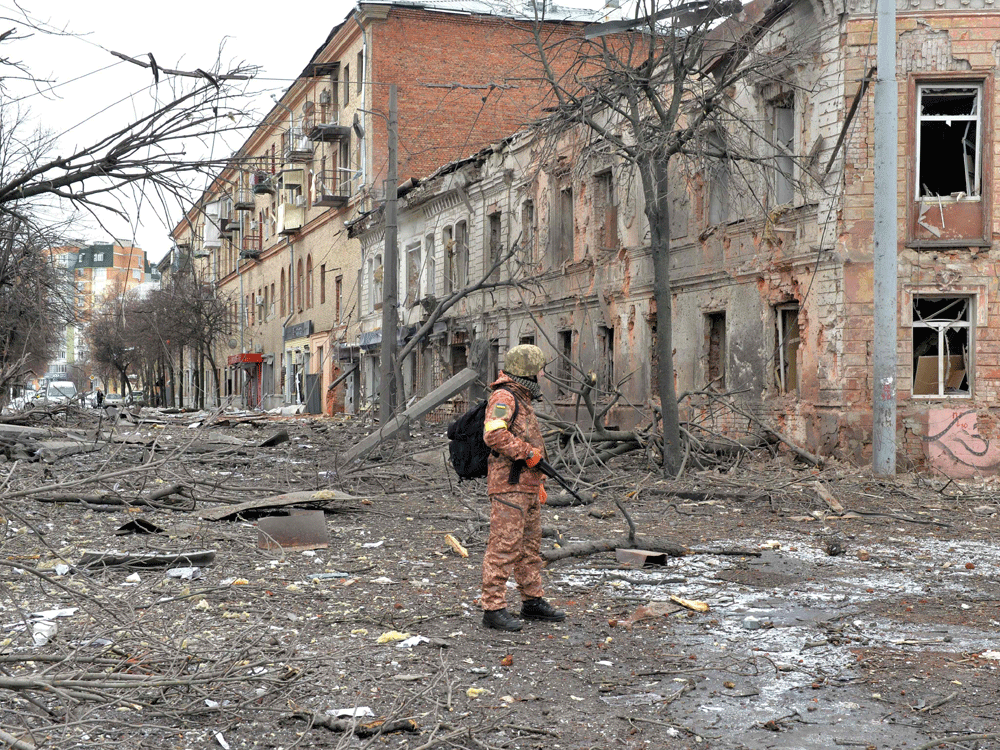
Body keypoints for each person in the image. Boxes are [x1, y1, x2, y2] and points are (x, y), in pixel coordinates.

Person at [480, 344, 566, 632]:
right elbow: (493, 435)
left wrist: (537, 482)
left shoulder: (522, 397)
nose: (542, 373)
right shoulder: (504, 396)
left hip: (525, 486)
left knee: (529, 548)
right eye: (539, 367)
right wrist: (527, 453)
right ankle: (493, 609)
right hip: (508, 486)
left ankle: (532, 602)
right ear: (528, 369)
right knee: (503, 548)